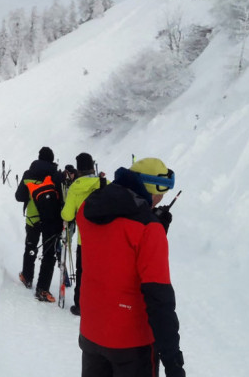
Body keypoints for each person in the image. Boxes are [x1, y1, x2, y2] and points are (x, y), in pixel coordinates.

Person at [76, 158, 184, 377]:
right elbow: (159, 300)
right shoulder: (148, 230)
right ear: (151, 189)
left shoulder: (88, 209)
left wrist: (151, 222)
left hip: (91, 333)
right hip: (132, 344)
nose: (159, 200)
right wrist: (173, 363)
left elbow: (112, 248)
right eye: (159, 195)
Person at [15, 147, 64, 303]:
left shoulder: (29, 174)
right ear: (51, 159)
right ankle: (42, 289)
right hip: (51, 220)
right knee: (49, 254)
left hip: (33, 218)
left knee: (31, 247)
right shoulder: (56, 175)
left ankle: (27, 277)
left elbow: (19, 196)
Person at [60, 153, 105, 316]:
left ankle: (80, 305)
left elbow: (68, 215)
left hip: (84, 239)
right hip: (106, 238)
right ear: (92, 166)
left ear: (78, 168)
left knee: (83, 272)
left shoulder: (75, 187)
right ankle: (101, 304)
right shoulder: (103, 183)